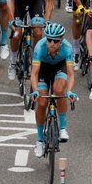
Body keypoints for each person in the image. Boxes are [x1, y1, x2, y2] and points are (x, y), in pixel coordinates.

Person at [29, 22, 77, 157]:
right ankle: (39, 139)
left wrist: (70, 91)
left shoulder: (67, 48)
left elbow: (71, 74)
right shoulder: (40, 47)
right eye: (49, 39)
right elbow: (34, 73)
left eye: (55, 41)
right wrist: (35, 90)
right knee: (42, 102)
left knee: (59, 91)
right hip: (43, 69)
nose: (52, 43)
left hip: (59, 67)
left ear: (61, 41)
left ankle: (62, 128)